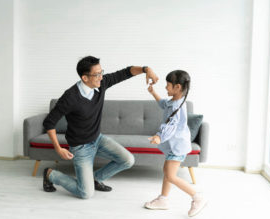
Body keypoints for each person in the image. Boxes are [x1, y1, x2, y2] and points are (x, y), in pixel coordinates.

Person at [42, 56, 159, 199]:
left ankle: (95, 179)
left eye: (101, 72)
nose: (101, 77)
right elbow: (49, 122)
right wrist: (58, 148)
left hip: (97, 139)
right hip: (80, 147)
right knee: (85, 193)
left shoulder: (101, 84)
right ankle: (50, 174)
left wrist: (146, 69)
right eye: (97, 74)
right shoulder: (70, 97)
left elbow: (125, 72)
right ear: (85, 78)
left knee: (128, 160)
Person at [145, 70, 207, 217]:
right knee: (167, 171)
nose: (166, 88)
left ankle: (198, 197)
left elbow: (171, 125)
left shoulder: (177, 108)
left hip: (177, 146)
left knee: (171, 175)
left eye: (168, 85)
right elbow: (163, 104)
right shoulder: (174, 101)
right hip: (175, 145)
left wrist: (159, 137)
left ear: (177, 87)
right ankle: (163, 199)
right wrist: (153, 92)